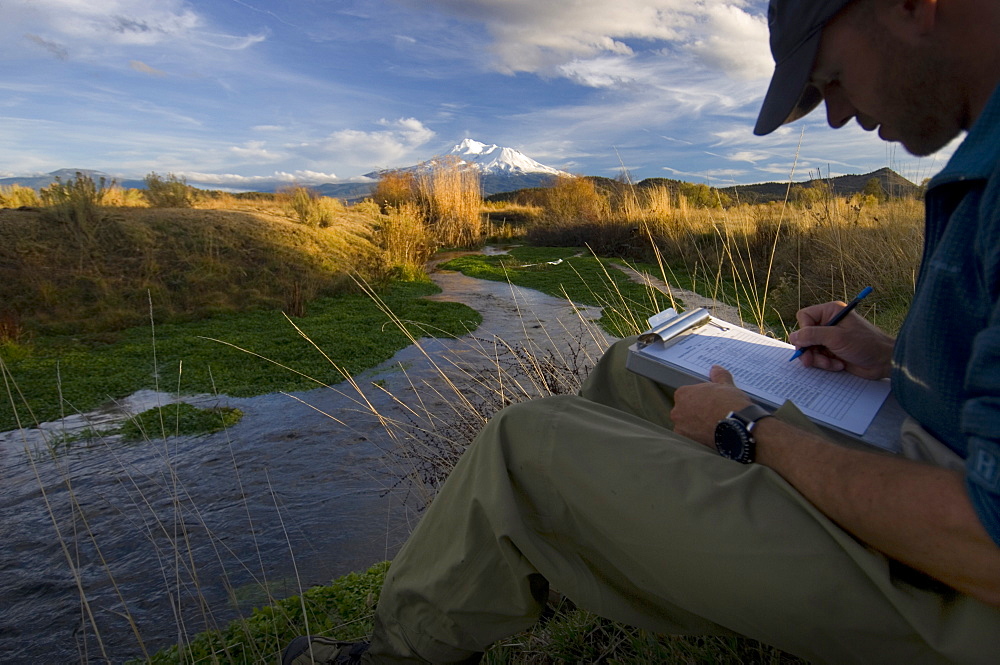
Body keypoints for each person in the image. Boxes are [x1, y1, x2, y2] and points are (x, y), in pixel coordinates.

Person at [284, 0, 1000, 662]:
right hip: (927, 457)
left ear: (911, 5)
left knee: (524, 446)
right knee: (639, 362)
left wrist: (752, 430)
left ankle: (398, 651)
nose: (838, 116)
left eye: (833, 78)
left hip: (953, 587)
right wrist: (889, 358)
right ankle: (585, 542)